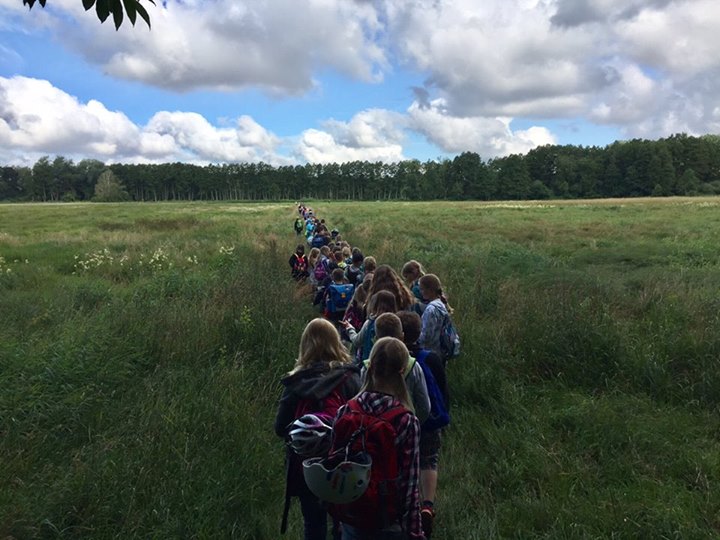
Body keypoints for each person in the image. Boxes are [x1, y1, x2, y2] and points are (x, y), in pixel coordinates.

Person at [330, 337, 425, 540]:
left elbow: (335, 468)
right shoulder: (407, 421)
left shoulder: (345, 411)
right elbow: (410, 488)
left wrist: (337, 521)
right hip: (389, 522)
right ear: (402, 371)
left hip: (351, 517)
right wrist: (415, 533)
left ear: (370, 366)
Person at [275, 319, 361, 540]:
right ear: (336, 342)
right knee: (345, 521)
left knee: (313, 524)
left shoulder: (296, 383)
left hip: (307, 466)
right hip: (344, 460)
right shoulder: (349, 378)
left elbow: (280, 427)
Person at [398, 311, 449, 539]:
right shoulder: (431, 358)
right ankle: (427, 504)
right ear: (419, 332)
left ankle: (406, 506)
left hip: (400, 422)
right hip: (428, 421)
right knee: (429, 460)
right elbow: (443, 390)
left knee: (403, 463)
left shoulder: (392, 359)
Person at [363, 313, 431, 424]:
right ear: (402, 337)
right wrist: (414, 423)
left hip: (370, 430)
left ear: (375, 338)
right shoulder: (413, 366)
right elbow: (425, 407)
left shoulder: (367, 368)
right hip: (404, 425)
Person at [342, 290, 397, 363]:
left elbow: (357, 341)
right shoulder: (396, 323)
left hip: (370, 363)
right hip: (392, 363)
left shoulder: (369, 323)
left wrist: (350, 329)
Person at [417, 274, 454, 360]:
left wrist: (414, 340)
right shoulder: (441, 304)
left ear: (429, 289)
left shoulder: (431, 309)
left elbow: (426, 335)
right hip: (440, 351)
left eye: (422, 289)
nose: (420, 292)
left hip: (429, 353)